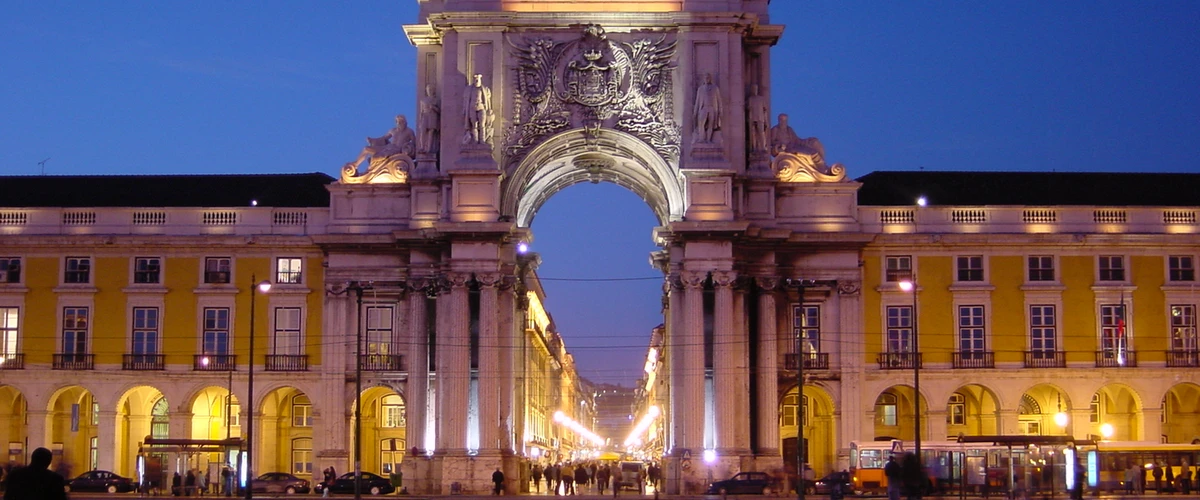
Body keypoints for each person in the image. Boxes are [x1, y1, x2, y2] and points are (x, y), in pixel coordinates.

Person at [2, 447, 67, 500]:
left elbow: (8, 496)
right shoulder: (55, 479)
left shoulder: (14, 475)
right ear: (49, 462)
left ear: (32, 458)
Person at [463, 74, 494, 145]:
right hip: (472, 108)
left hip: (481, 107)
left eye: (478, 79)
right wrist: (464, 110)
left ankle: (482, 140)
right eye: (475, 79)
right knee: (474, 125)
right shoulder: (469, 89)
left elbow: (487, 101)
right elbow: (466, 100)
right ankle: (475, 140)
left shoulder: (484, 89)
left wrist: (489, 109)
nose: (476, 81)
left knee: (482, 124)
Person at [693, 73, 721, 143]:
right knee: (701, 124)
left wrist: (720, 111)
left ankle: (708, 139)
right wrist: (695, 112)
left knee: (711, 125)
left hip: (712, 108)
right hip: (703, 108)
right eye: (706, 77)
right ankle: (702, 138)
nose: (707, 79)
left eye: (708, 77)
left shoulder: (715, 88)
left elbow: (719, 101)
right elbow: (697, 101)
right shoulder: (700, 89)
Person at [417, 84, 441, 154]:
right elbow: (421, 112)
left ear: (433, 91)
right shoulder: (423, 100)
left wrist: (433, 108)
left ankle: (429, 149)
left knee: (431, 133)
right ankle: (422, 147)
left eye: (431, 89)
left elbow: (439, 111)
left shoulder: (436, 100)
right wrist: (420, 121)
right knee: (422, 132)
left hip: (433, 117)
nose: (429, 91)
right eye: (428, 89)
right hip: (425, 116)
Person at [747, 84, 769, 152]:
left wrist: (766, 121)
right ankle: (754, 147)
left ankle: (763, 147)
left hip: (760, 118)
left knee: (761, 132)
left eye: (755, 89)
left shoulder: (761, 99)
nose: (754, 90)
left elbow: (765, 111)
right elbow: (747, 107)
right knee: (753, 133)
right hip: (752, 118)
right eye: (753, 89)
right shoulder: (750, 99)